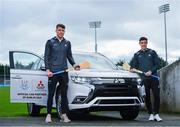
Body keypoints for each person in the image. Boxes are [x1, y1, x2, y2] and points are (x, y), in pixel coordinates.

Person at [44, 23, 80, 123]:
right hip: (53, 72)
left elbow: (69, 56)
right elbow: (46, 57)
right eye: (59, 30)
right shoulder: (50, 42)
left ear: (65, 31)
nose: (61, 32)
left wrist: (74, 65)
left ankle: (64, 115)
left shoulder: (67, 43)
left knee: (64, 95)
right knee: (51, 94)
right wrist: (48, 70)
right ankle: (48, 115)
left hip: (64, 72)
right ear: (56, 30)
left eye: (63, 30)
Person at [130, 37, 162, 122]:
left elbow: (158, 64)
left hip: (154, 78)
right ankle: (151, 114)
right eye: (142, 43)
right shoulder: (136, 54)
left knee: (156, 95)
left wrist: (151, 71)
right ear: (139, 43)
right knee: (147, 96)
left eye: (145, 42)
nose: (143, 44)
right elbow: (134, 66)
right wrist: (132, 69)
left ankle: (157, 114)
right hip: (144, 79)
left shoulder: (152, 52)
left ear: (147, 43)